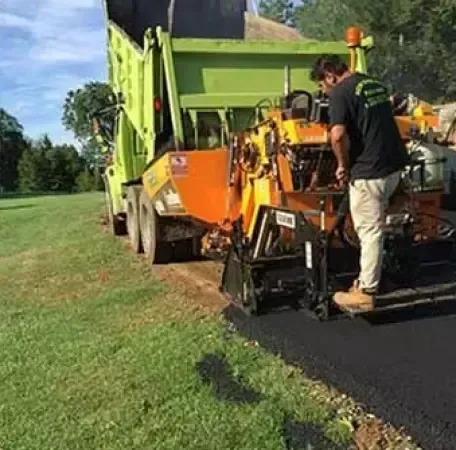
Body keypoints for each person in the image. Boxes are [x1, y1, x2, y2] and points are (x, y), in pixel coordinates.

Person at [310, 54, 410, 310]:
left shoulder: (340, 93)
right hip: (394, 166)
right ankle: (369, 276)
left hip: (370, 172)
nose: (324, 90)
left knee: (369, 231)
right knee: (383, 224)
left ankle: (366, 291)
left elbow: (338, 135)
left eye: (323, 84)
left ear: (330, 75)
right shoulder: (372, 84)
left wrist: (342, 166)